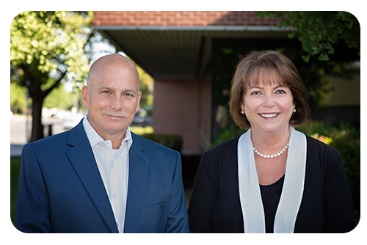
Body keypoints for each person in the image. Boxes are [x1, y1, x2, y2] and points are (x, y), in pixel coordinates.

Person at [16, 54, 189, 233]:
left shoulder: (167, 162)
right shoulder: (40, 158)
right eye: (107, 92)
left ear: (137, 102)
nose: (116, 104)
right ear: (86, 96)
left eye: (127, 94)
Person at [188, 50, 355, 233]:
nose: (269, 102)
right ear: (241, 104)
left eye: (280, 91)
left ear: (294, 102)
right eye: (256, 92)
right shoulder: (214, 163)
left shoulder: (327, 161)